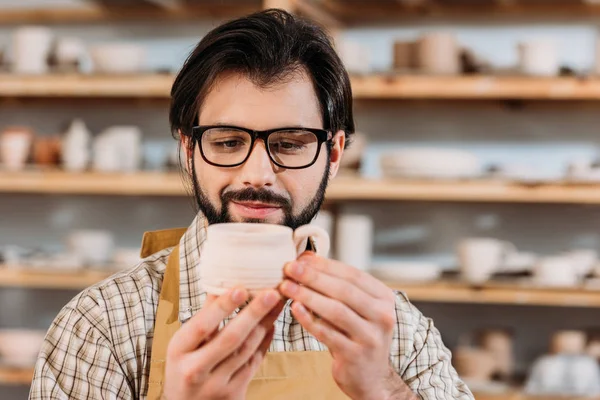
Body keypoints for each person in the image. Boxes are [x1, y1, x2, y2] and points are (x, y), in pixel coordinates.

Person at [30, 9, 474, 400]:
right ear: (188, 151)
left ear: (334, 154)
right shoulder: (101, 327)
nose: (257, 173)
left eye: (289, 143)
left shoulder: (394, 330)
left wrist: (384, 390)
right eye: (226, 142)